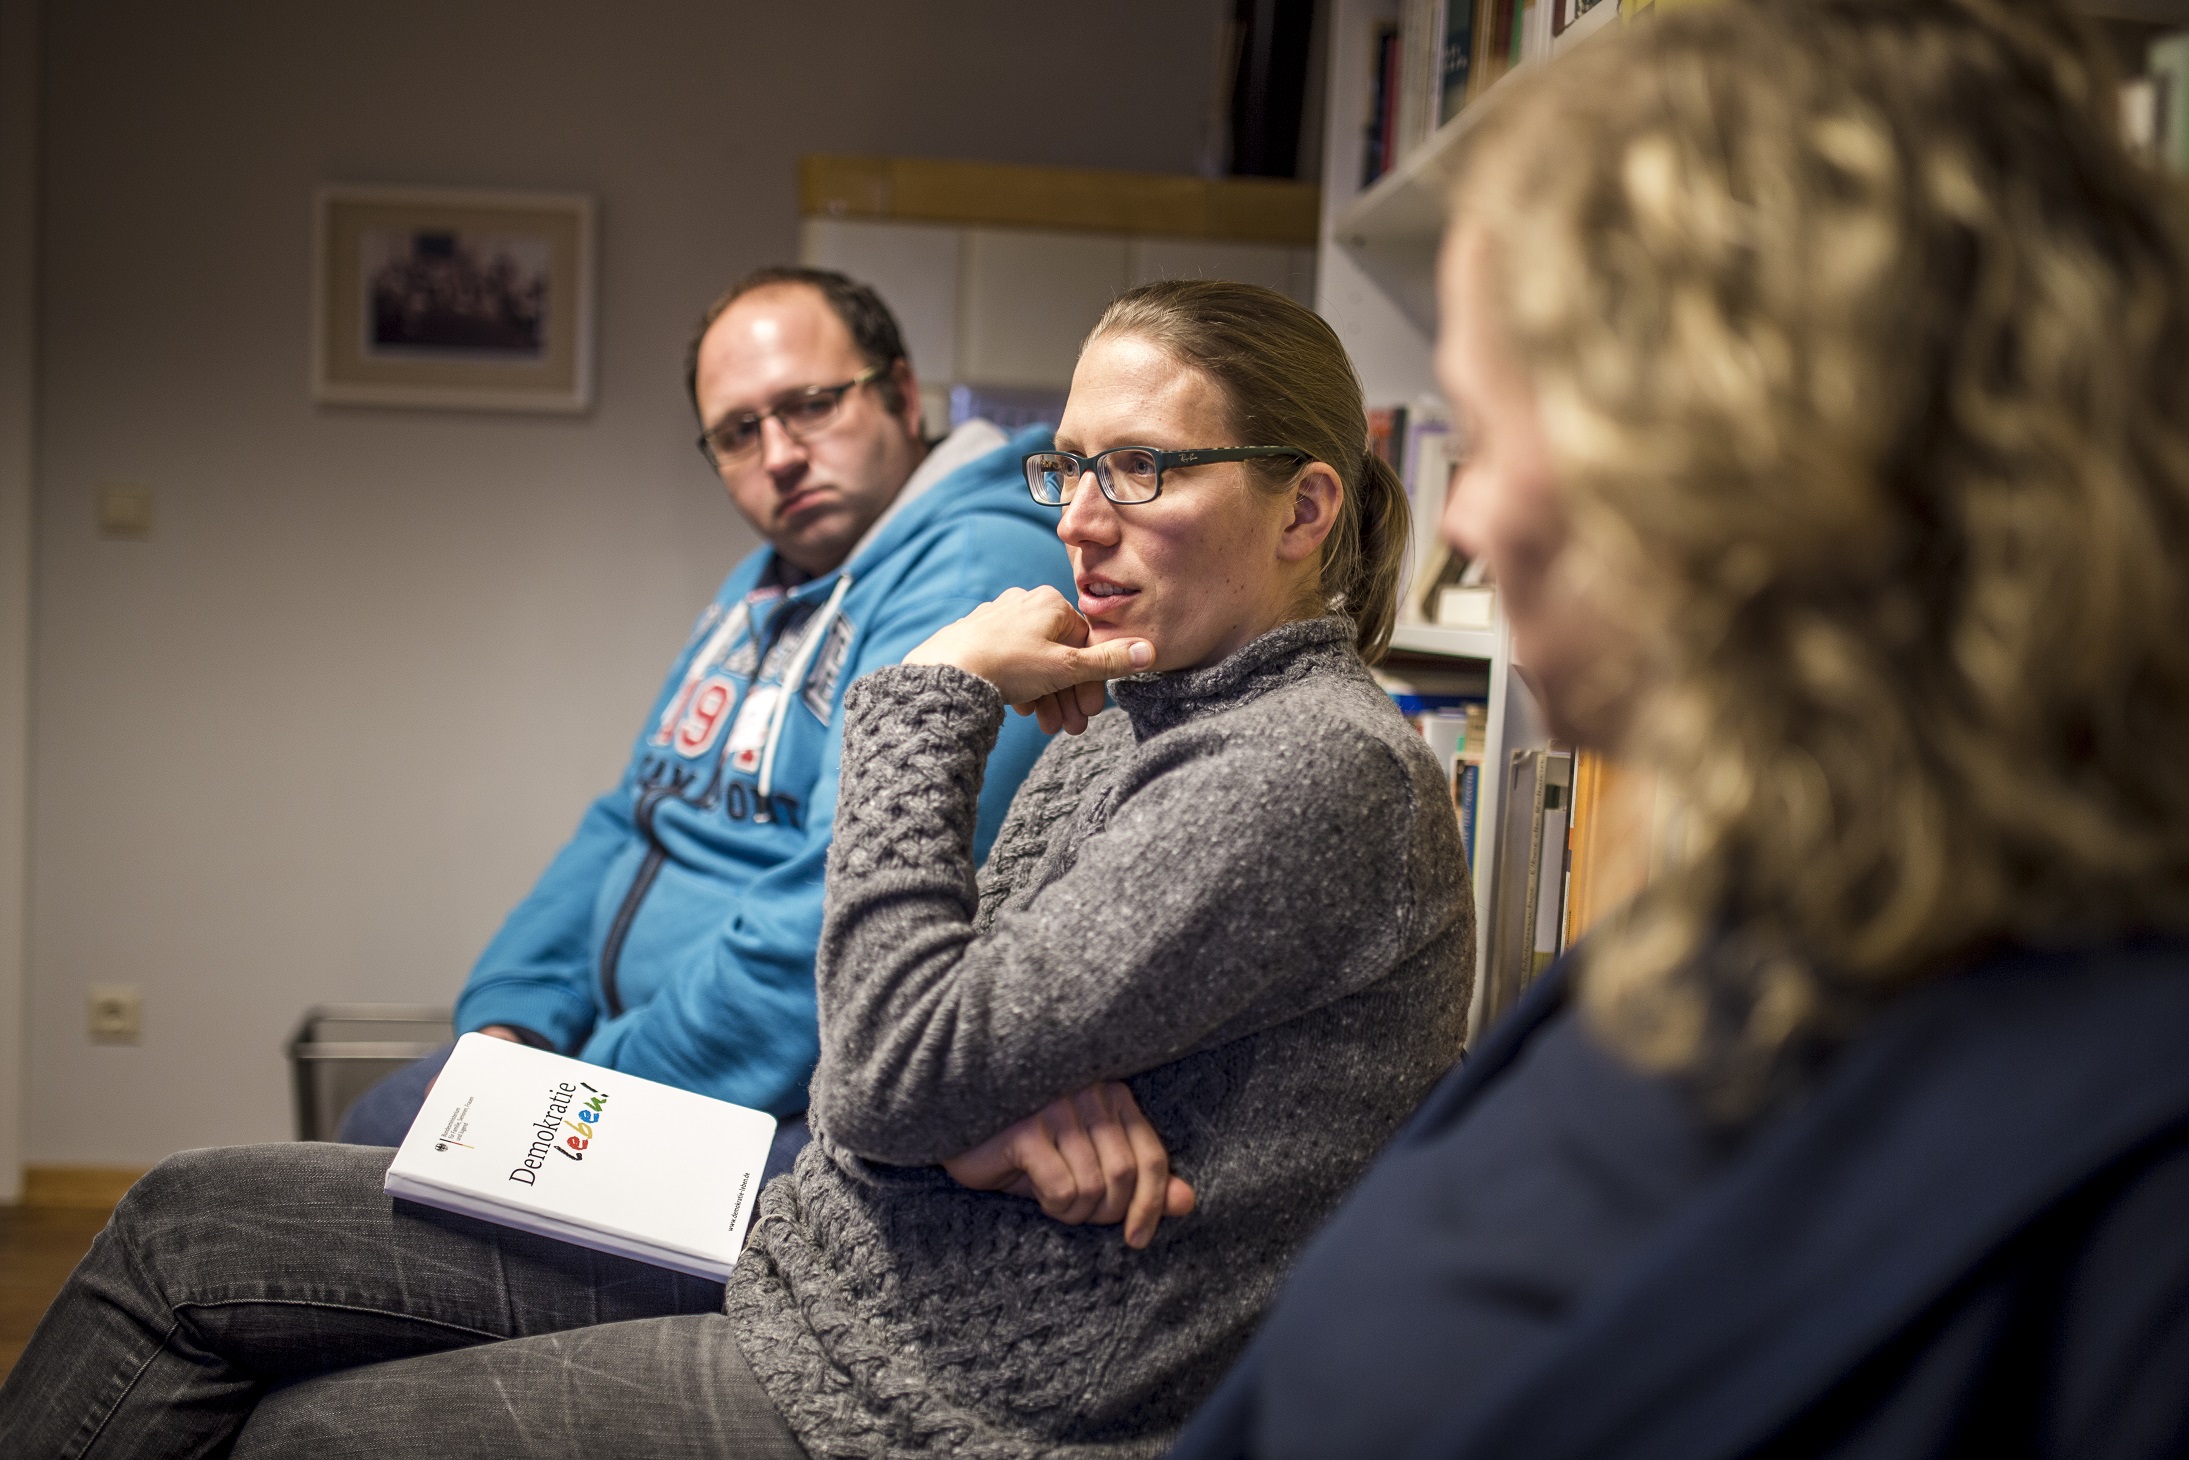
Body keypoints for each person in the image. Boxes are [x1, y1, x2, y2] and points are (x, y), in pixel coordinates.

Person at [0, 279, 1474, 1458]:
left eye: (1141, 467)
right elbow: (907, 1031)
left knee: (293, 1431)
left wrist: (925, 701)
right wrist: (957, 1103)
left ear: (1304, 509)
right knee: (186, 1217)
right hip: (846, 1248)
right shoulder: (1141, 692)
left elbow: (883, 1060)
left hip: (941, 1380)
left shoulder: (1301, 762)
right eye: (1072, 464)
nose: (1078, 519)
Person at [1164, 3, 2189, 1458]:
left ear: (1723, 453)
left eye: (1487, 434)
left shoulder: (2132, 1202)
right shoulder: (1720, 938)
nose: (1462, 522)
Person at [336, 266, 1074, 1175]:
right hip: (631, 1055)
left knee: (359, 1156)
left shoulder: (975, 570)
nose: (779, 457)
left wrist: (594, 1077)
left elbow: (835, 911)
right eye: (737, 433)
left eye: (810, 406)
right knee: (372, 1131)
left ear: (900, 389)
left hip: (777, 1102)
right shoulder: (767, 578)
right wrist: (514, 1017)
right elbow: (635, 811)